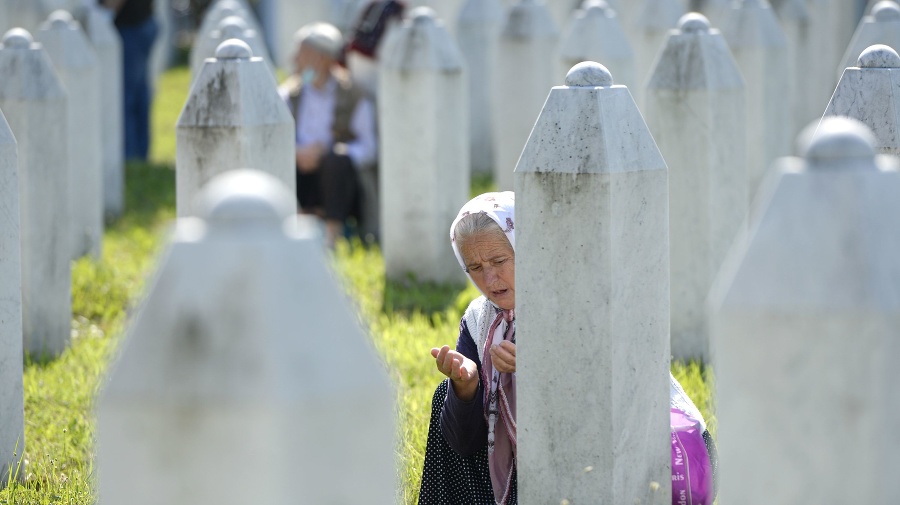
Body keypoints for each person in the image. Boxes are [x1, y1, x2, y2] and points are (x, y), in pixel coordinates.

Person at [418, 192, 718, 504]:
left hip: (630, 456)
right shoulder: (480, 320)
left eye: (498, 260)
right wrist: (466, 387)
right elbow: (465, 444)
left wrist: (541, 367)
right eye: (474, 267)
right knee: (446, 394)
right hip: (531, 464)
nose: (489, 278)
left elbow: (615, 405)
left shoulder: (579, 304)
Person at [278, 22, 377, 247]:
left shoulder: (353, 94)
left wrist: (327, 152)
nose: (295, 60)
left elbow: (369, 147)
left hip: (335, 180)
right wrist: (297, 153)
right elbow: (273, 138)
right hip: (299, 170)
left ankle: (332, 235)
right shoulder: (288, 94)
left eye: (302, 54)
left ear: (321, 58)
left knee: (337, 161)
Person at [102, 0, 157, 160]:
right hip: (140, 23)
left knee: (126, 98)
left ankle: (131, 157)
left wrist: (105, 12)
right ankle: (139, 156)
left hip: (130, 27)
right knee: (137, 95)